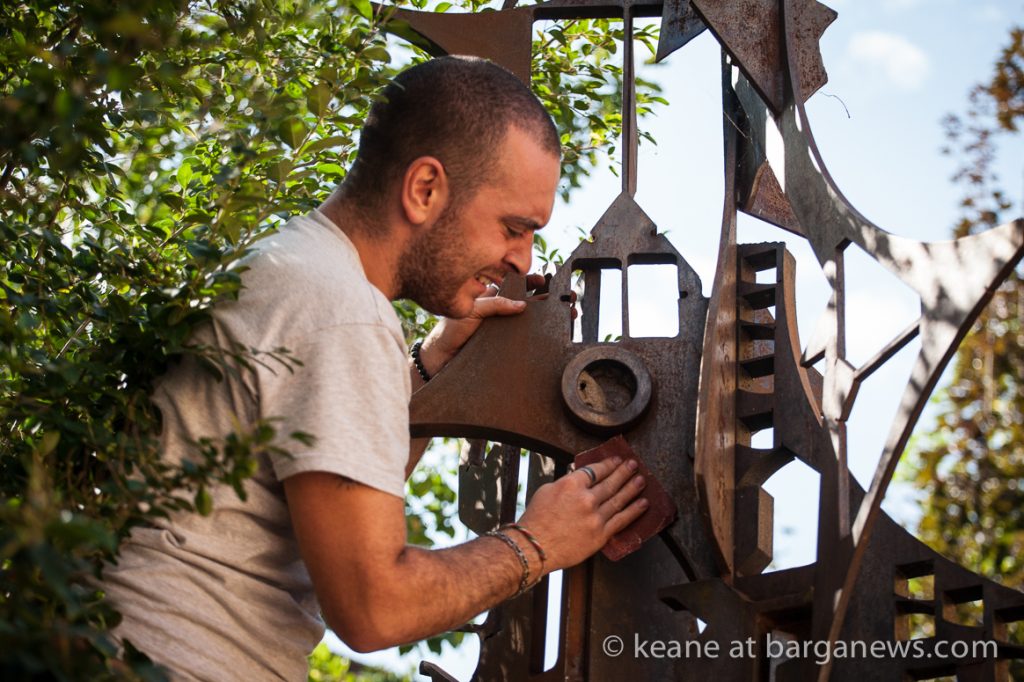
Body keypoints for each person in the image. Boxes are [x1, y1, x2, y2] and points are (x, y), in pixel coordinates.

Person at [101, 56, 648, 680]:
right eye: (513, 227)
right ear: (424, 190)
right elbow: (372, 608)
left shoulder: (292, 269)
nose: (520, 260)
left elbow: (325, 495)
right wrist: (538, 542)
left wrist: (430, 366)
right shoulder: (340, 311)